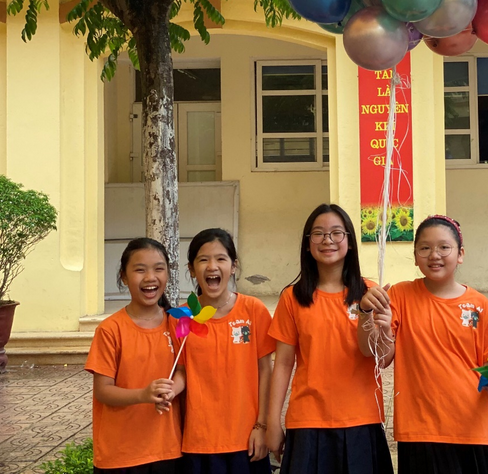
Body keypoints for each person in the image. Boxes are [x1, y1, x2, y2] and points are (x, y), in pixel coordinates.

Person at [359, 215, 488, 474]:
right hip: (419, 429)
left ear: (460, 254)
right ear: (415, 256)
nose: (434, 255)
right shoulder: (400, 296)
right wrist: (384, 326)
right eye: (425, 248)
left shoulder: (480, 305)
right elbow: (383, 358)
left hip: (472, 429)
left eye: (444, 247)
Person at [267, 203, 393, 473]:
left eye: (337, 233)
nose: (327, 240)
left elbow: (381, 358)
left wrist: (373, 319)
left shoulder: (370, 292)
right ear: (307, 243)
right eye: (318, 234)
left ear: (349, 241)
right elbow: (284, 363)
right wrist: (271, 421)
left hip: (361, 419)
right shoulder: (292, 297)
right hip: (308, 421)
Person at [176, 228, 275, 474]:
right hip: (198, 443)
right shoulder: (183, 317)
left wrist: (262, 427)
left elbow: (266, 371)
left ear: (233, 266)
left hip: (247, 441)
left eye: (221, 258)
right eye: (203, 259)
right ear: (191, 269)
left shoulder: (254, 310)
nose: (212, 266)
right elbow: (180, 372)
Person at [85, 238, 183, 474]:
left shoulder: (178, 323)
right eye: (140, 270)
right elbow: (103, 390)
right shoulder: (111, 329)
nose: (150, 277)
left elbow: (183, 371)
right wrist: (144, 394)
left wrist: (172, 389)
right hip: (121, 455)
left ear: (168, 274)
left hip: (168, 450)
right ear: (124, 277)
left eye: (159, 268)